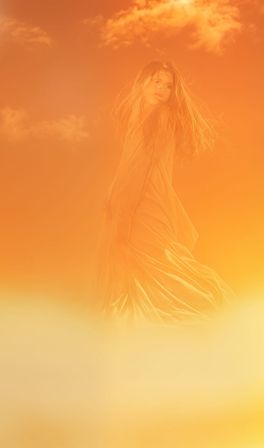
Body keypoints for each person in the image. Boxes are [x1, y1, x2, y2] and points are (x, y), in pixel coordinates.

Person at [95, 59, 230, 322]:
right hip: (145, 202)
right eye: (156, 82)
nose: (161, 89)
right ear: (142, 83)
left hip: (144, 204)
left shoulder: (158, 118)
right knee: (146, 273)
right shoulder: (144, 118)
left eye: (167, 86)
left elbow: (136, 172)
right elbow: (132, 168)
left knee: (152, 267)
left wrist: (120, 219)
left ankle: (209, 312)